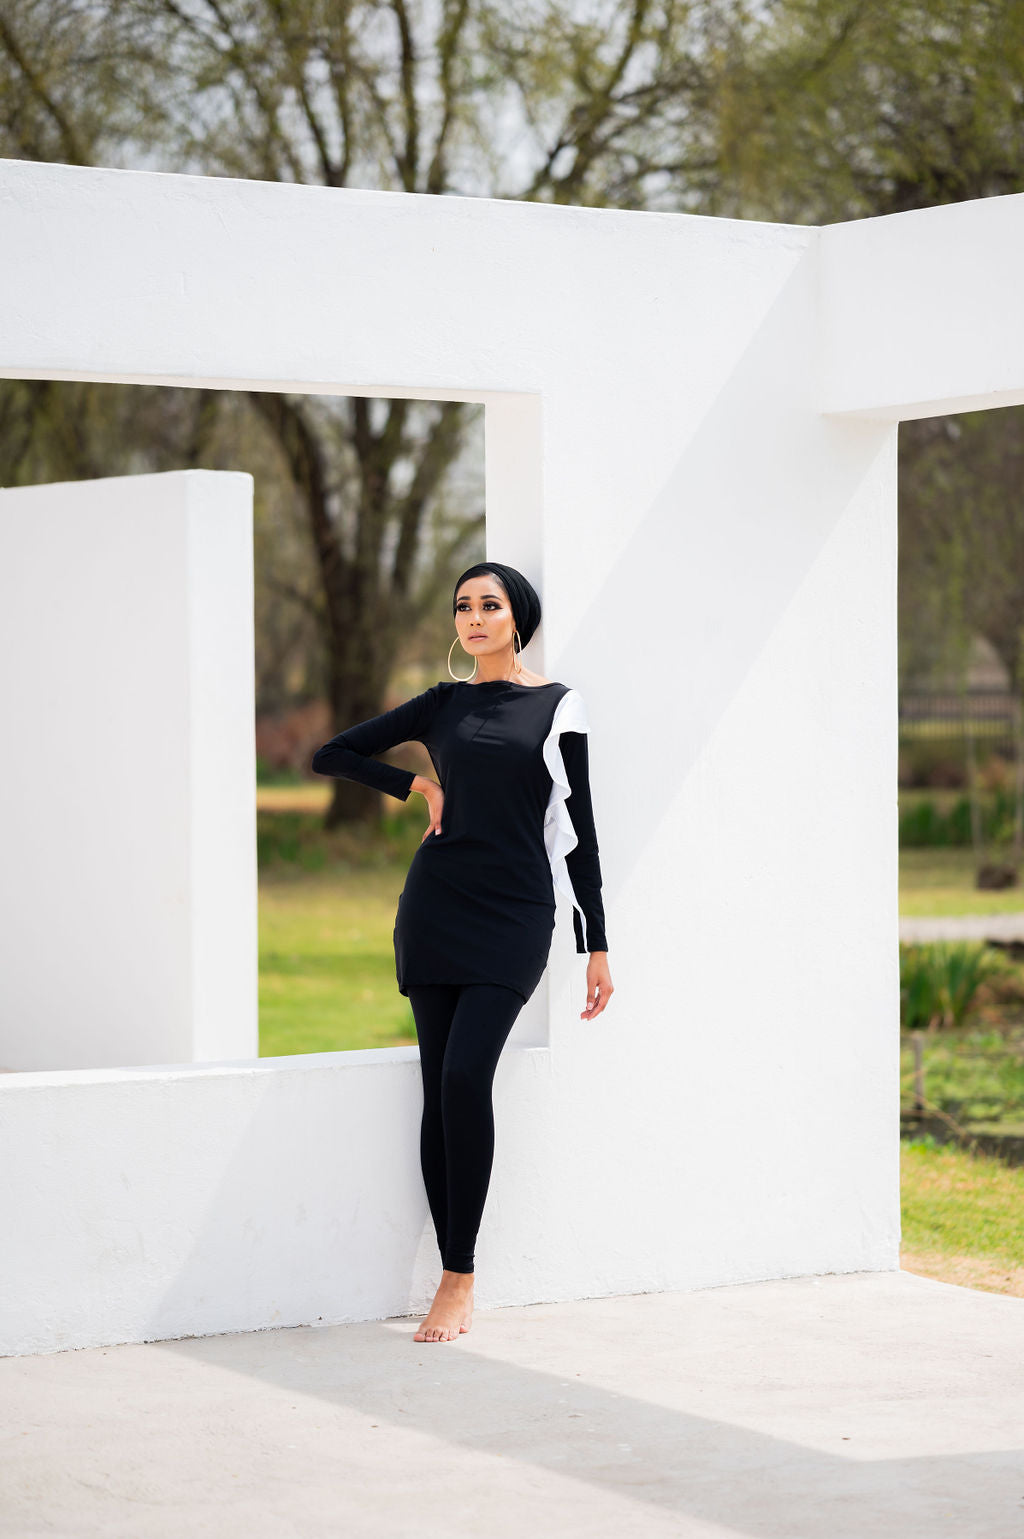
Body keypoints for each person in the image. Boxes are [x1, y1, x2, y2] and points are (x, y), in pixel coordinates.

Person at [311, 561, 613, 1343]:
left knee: (464, 1075)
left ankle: (460, 1277)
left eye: (490, 604)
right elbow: (332, 754)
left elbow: (580, 835)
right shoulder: (441, 705)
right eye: (462, 607)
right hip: (436, 906)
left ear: (519, 617)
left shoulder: (557, 707)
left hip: (514, 912)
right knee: (436, 1089)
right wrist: (418, 786)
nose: (474, 617)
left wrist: (596, 944)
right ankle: (454, 1266)